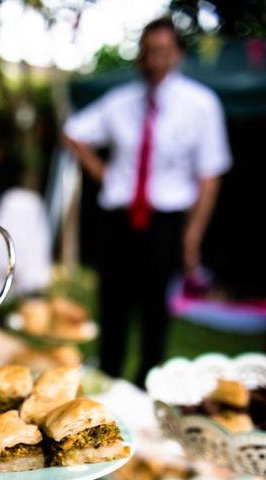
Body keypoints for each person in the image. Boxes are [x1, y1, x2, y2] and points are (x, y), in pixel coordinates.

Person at [63, 17, 231, 386]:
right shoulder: (121, 102)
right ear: (140, 55)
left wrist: (192, 236)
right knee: (112, 306)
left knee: (155, 311)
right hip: (118, 218)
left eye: (163, 52)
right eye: (148, 53)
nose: (154, 62)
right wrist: (103, 173)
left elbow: (210, 176)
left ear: (178, 54)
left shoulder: (201, 105)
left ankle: (147, 387)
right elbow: (74, 132)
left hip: (164, 222)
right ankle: (106, 380)